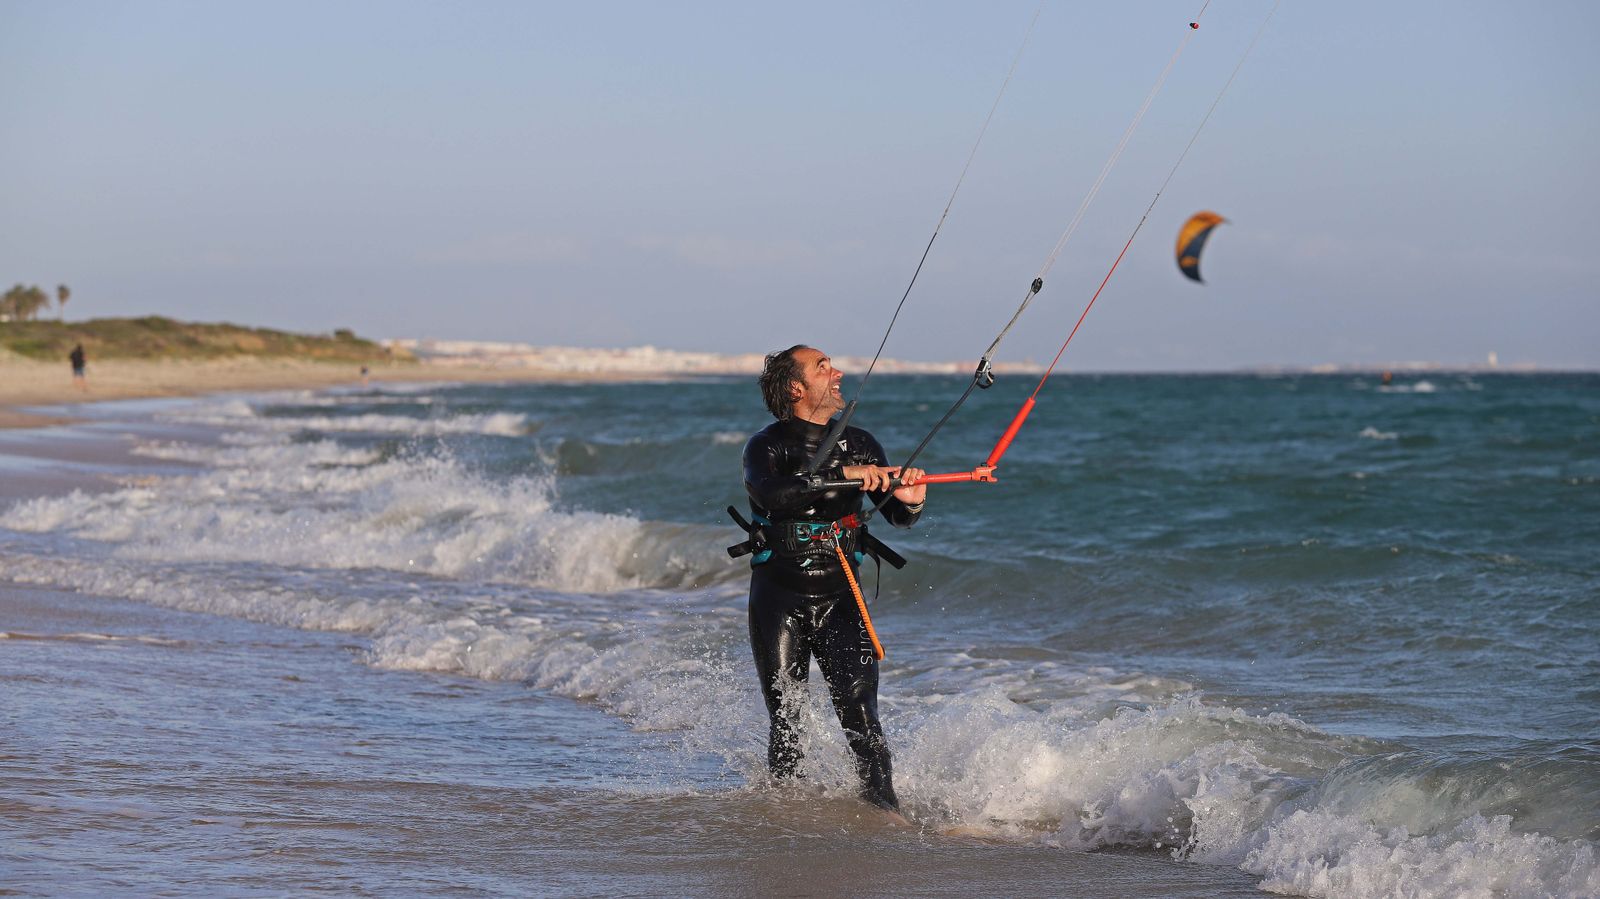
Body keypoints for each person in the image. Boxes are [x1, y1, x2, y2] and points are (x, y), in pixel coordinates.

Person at [740, 345, 927, 812]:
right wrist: (845, 475)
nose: (838, 371)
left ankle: (886, 816)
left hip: (841, 596)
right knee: (788, 718)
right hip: (778, 598)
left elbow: (896, 518)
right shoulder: (767, 446)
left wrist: (911, 499)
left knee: (863, 713)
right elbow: (773, 493)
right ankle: (785, 818)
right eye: (823, 367)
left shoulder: (862, 443)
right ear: (796, 387)